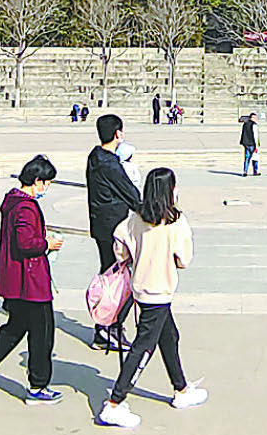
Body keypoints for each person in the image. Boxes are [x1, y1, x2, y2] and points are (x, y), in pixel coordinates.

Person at [96, 168, 207, 428]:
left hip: (141, 288)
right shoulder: (175, 221)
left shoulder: (135, 218)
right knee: (143, 347)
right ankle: (115, 402)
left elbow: (119, 246)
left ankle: (181, 388)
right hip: (160, 290)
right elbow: (184, 259)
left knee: (169, 336)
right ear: (171, 190)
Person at [0, 155, 64, 406]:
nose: (47, 187)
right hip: (30, 282)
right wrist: (47, 243)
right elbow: (25, 243)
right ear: (37, 181)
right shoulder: (26, 207)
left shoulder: (12, 201)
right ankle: (38, 386)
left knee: (15, 328)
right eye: (47, 182)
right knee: (42, 333)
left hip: (14, 280)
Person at [87, 114, 142, 352]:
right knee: (122, 281)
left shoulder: (94, 156)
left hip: (101, 226)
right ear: (118, 134)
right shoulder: (109, 164)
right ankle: (108, 326)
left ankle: (106, 327)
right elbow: (132, 195)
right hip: (114, 229)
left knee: (111, 276)